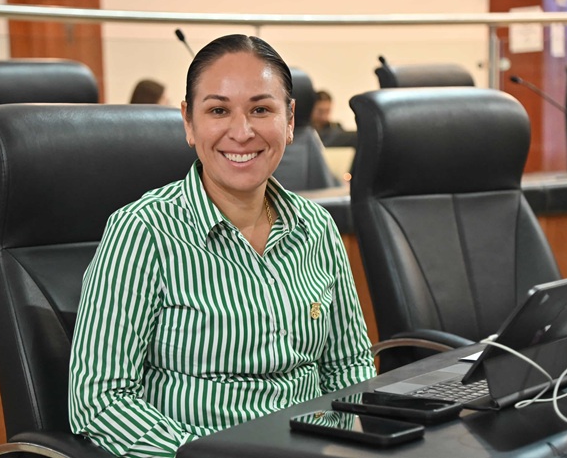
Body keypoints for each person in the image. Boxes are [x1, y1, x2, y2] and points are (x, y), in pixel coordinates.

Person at [69, 34, 376, 458]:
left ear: (289, 120)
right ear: (188, 122)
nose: (242, 132)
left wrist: (350, 442)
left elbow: (349, 366)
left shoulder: (316, 228)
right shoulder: (144, 231)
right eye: (218, 110)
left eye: (261, 110)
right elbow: (100, 399)